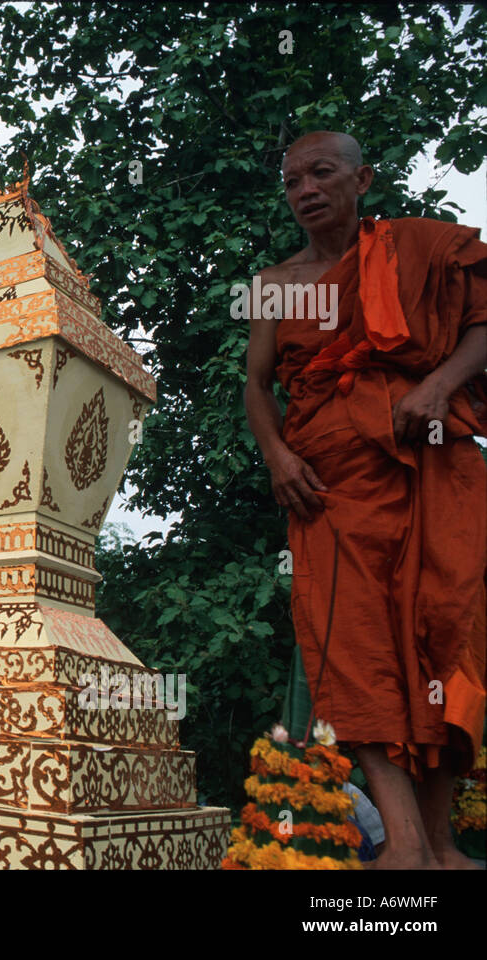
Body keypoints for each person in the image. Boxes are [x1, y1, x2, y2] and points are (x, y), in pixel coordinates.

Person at [244, 131, 487, 869]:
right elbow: (256, 387)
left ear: (363, 179)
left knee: (447, 631)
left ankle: (439, 845)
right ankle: (406, 847)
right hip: (330, 487)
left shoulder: (420, 249)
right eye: (292, 181)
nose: (305, 189)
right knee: (355, 649)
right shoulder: (277, 283)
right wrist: (279, 454)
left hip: (432, 465)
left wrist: (438, 385)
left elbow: (482, 325)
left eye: (321, 173)